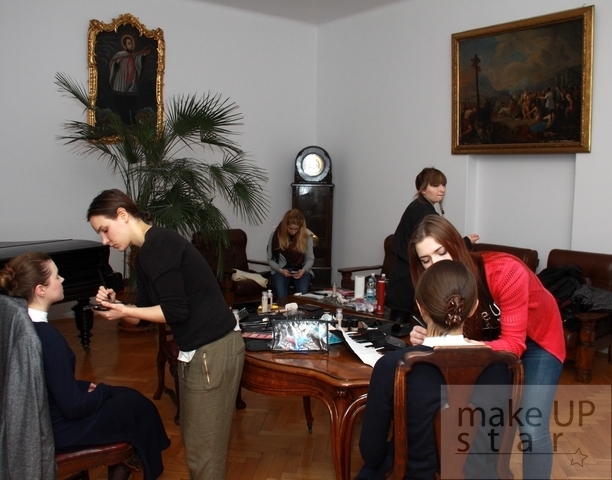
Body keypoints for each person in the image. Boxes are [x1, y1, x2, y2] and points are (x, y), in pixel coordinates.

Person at [86, 189, 244, 480]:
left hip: (212, 350)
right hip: (199, 350)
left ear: (122, 215)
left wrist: (124, 310)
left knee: (204, 456)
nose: (105, 240)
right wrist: (117, 307)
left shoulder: (159, 244)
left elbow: (175, 312)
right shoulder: (146, 251)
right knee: (198, 449)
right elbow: (143, 317)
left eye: (104, 230)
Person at [408, 215, 565, 480]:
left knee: (531, 428)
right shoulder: (440, 284)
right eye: (426, 260)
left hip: (537, 339)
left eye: (441, 252)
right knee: (485, 417)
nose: (435, 265)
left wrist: (458, 343)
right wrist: (429, 334)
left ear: (457, 245)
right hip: (488, 343)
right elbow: (451, 329)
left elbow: (514, 344)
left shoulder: (505, 271)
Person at [0, 252, 170, 480]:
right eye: (56, 276)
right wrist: (103, 390)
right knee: (137, 407)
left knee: (128, 399)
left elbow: (44, 381)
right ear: (40, 290)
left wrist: (81, 387)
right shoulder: (47, 339)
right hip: (56, 429)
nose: (62, 279)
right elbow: (74, 408)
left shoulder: (17, 324)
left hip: (38, 417)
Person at [356, 260, 510, 479]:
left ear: (421, 308)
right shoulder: (501, 368)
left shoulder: (391, 365)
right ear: (474, 307)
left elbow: (371, 452)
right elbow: (493, 451)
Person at [385, 167, 478, 323]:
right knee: (401, 331)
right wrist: (466, 242)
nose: (442, 190)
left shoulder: (416, 206)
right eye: (435, 185)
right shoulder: (425, 214)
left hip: (401, 279)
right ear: (422, 189)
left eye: (443, 185)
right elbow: (438, 246)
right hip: (408, 282)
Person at [267, 208, 315, 298]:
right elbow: (270, 260)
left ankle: (300, 308)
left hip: (301, 270)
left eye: (296, 229)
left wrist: (303, 270)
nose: (293, 232)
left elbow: (310, 259)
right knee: (281, 293)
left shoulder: (307, 236)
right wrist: (280, 270)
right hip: (281, 270)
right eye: (290, 229)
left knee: (303, 293)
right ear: (285, 226)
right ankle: (283, 307)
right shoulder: (275, 236)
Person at [109, 34, 151, 124]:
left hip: (131, 84)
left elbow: (139, 63)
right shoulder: (120, 55)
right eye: (129, 43)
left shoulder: (135, 56)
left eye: (131, 43)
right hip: (120, 84)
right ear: (125, 45)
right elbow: (112, 65)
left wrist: (142, 56)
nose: (131, 45)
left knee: (131, 105)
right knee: (121, 105)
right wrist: (117, 62)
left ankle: (130, 124)